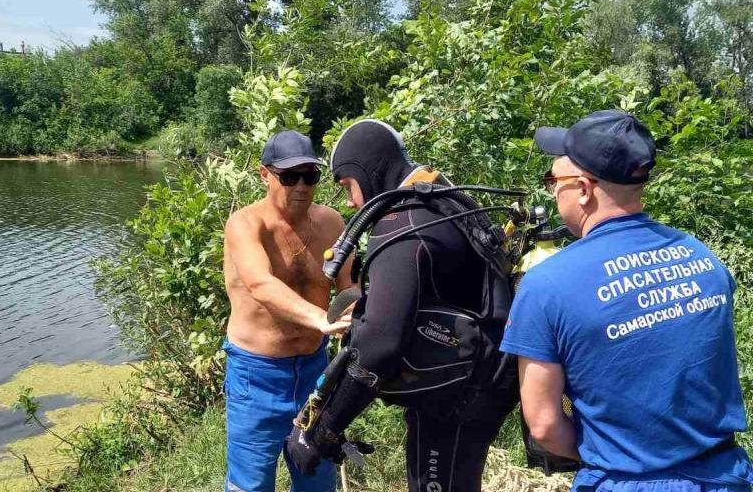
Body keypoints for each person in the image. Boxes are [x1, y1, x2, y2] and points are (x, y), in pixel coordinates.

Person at [499, 110, 753, 491]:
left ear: (583, 188)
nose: (552, 191)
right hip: (723, 476)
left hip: (624, 480)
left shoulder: (547, 285)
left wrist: (610, 456)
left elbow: (545, 425)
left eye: (553, 180)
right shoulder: (703, 258)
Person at [284, 119, 519, 492]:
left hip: (457, 397)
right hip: (489, 375)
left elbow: (378, 346)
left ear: (368, 170)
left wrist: (321, 431)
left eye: (348, 185)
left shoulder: (400, 222)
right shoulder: (440, 196)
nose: (350, 201)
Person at [223, 130, 354, 492]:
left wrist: (357, 310)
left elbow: (349, 285)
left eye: (310, 176)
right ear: (265, 174)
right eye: (289, 176)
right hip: (256, 373)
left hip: (315, 370)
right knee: (250, 484)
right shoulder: (246, 225)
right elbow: (259, 284)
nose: (301, 186)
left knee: (316, 476)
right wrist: (320, 318)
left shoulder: (332, 223)